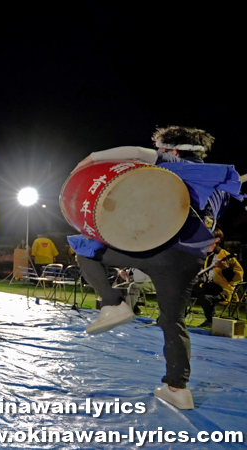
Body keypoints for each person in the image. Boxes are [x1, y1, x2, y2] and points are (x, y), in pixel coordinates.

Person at [70, 126, 243, 410]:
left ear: (174, 150)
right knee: (172, 321)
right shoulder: (220, 185)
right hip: (188, 262)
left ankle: (113, 304)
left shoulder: (180, 165)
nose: (161, 154)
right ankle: (177, 389)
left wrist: (88, 160)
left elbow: (137, 153)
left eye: (164, 150)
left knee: (84, 249)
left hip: (159, 250)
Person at [193, 229, 243, 328]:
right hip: (207, 287)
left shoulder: (227, 256)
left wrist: (225, 268)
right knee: (185, 291)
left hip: (222, 291)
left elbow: (238, 277)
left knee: (205, 296)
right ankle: (175, 317)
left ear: (217, 240)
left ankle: (211, 320)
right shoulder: (207, 256)